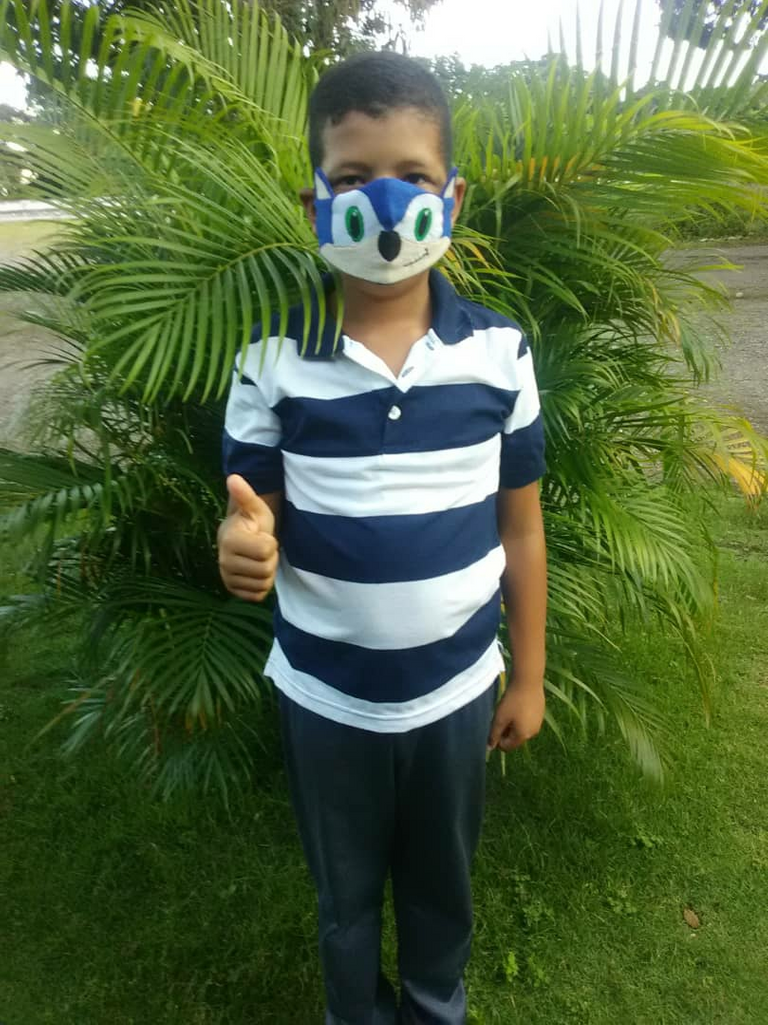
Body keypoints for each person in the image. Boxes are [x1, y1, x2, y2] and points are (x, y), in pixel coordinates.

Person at [217, 50, 548, 1025]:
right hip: (324, 697)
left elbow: (521, 527)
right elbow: (251, 508)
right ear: (316, 201)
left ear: (453, 196)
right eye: (355, 178)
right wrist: (242, 543)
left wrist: (528, 675)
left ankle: (435, 1006)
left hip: (457, 691)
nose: (387, 203)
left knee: (444, 886)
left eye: (412, 175)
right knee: (345, 897)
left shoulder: (500, 354)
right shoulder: (270, 361)